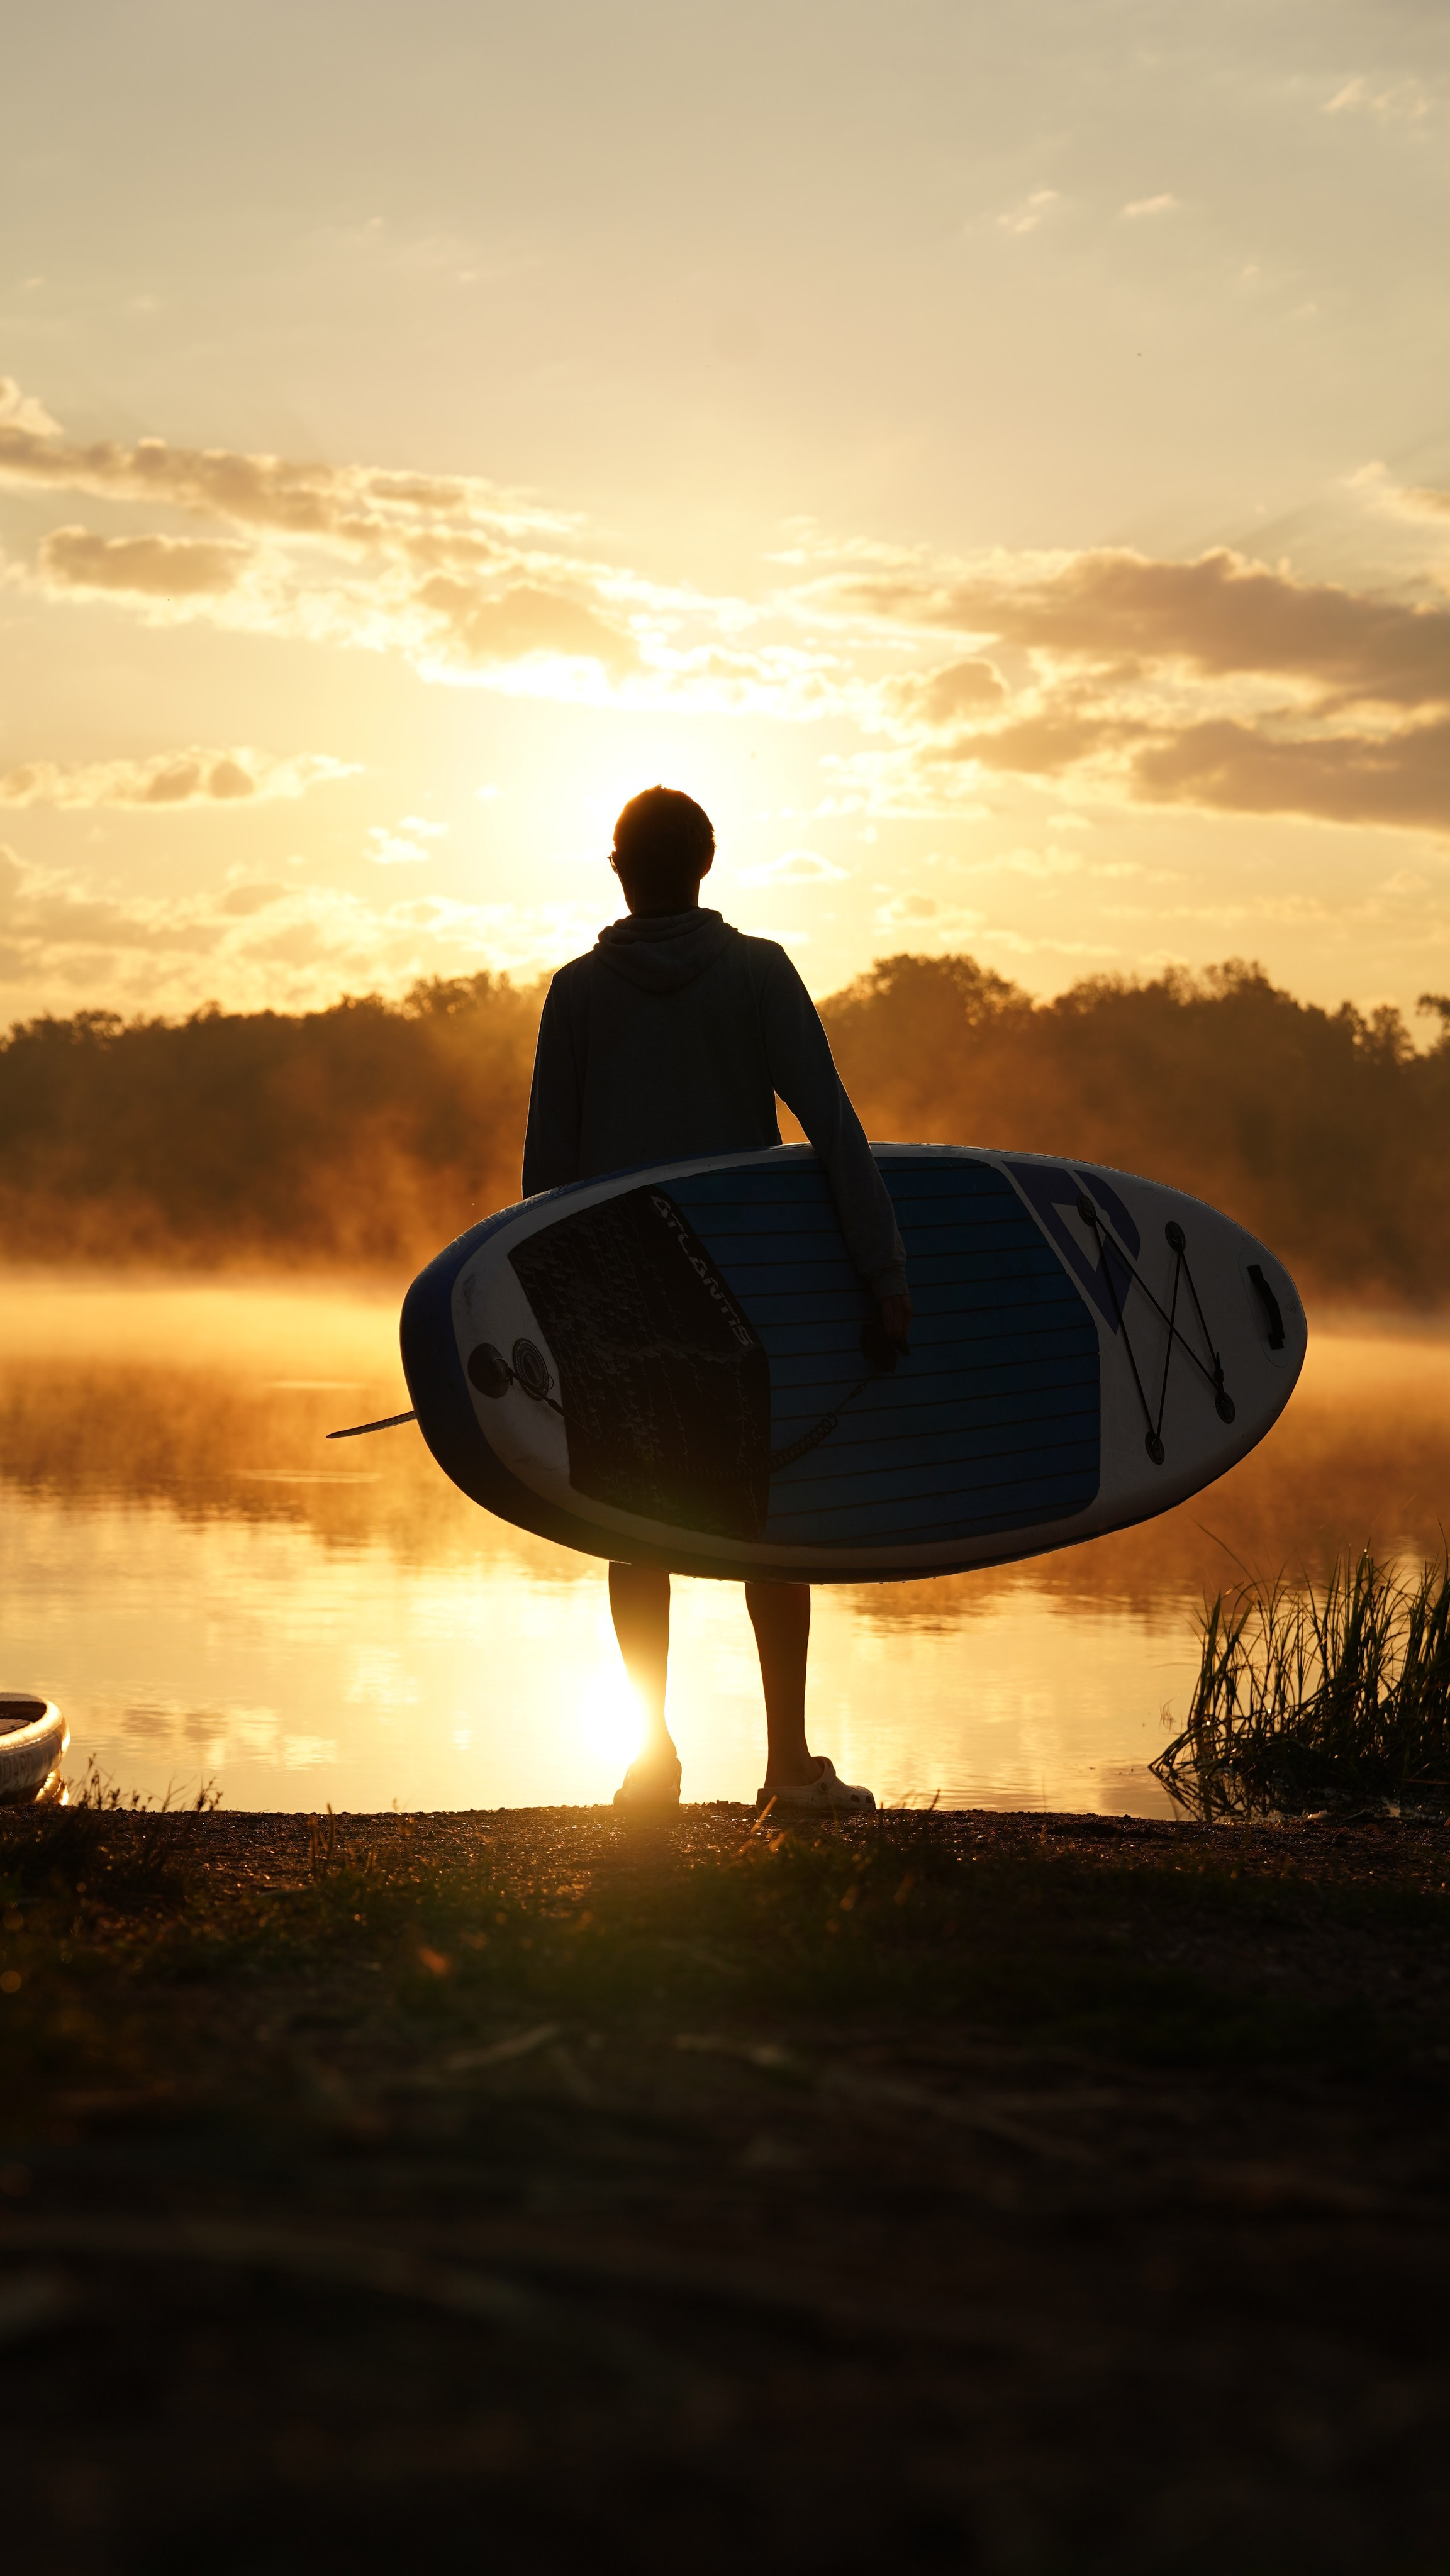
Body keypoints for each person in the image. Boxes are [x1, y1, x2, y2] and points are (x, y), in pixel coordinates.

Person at [522, 785, 912, 1813]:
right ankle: (787, 1767)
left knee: (630, 1526)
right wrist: (884, 1278)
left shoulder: (576, 994)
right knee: (772, 1524)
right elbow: (833, 1129)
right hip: (751, 1293)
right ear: (707, 862)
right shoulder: (758, 974)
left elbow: (542, 1185)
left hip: (615, 1293)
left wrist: (545, 1321)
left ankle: (651, 1759)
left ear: (617, 868)